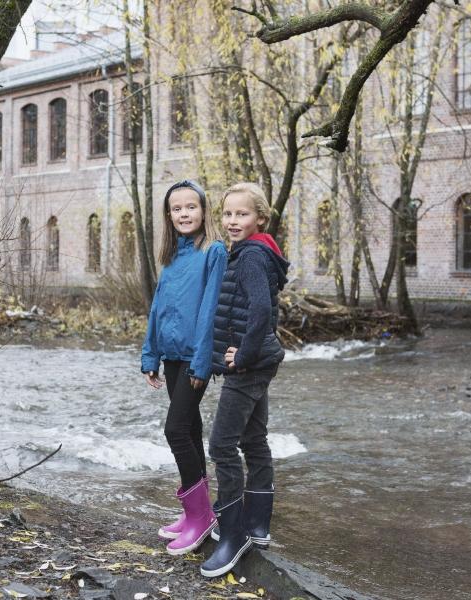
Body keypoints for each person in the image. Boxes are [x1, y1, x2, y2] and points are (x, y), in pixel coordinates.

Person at [200, 182, 290, 578]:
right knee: (254, 440)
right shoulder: (252, 252)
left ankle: (232, 537)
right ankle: (256, 525)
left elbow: (260, 312)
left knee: (222, 445)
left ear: (260, 219)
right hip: (259, 362)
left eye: (242, 214)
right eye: (228, 214)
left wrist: (244, 355)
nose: (233, 221)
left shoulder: (252, 256)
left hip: (250, 366)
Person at [141, 179, 227, 555]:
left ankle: (202, 516)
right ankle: (194, 512)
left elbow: (210, 311)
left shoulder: (215, 251)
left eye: (190, 207)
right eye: (177, 209)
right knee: (190, 430)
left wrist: (202, 361)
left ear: (204, 210)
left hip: (195, 357)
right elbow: (159, 307)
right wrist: (150, 355)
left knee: (174, 430)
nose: (184, 214)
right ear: (168, 215)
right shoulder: (171, 255)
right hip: (172, 355)